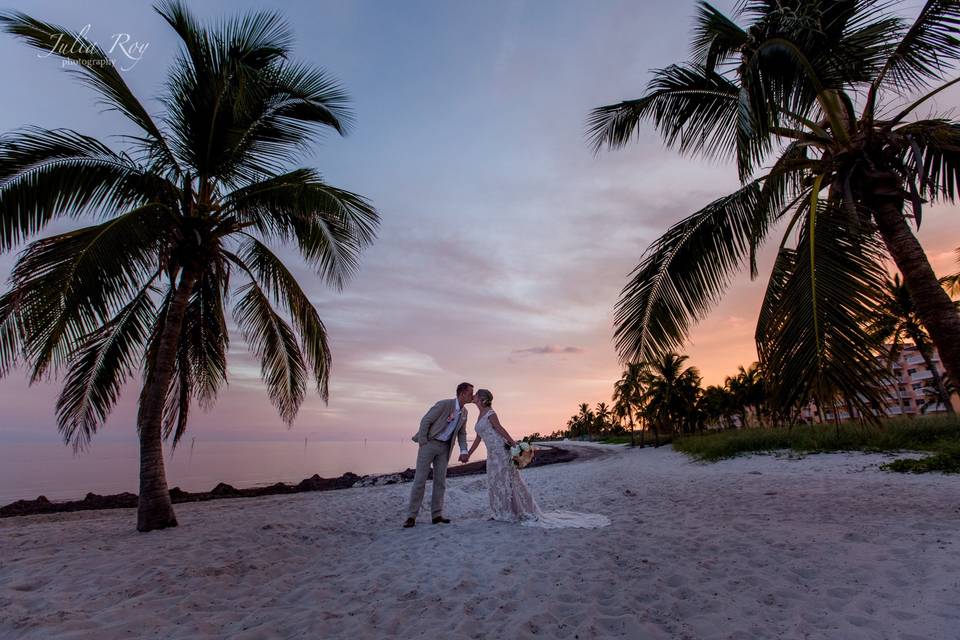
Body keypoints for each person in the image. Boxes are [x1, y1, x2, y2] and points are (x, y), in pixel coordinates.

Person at [464, 389, 610, 528]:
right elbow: (478, 438)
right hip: (491, 454)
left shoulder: (491, 413)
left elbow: (501, 429)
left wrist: (515, 444)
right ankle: (499, 511)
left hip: (500, 451)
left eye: (476, 394)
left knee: (506, 480)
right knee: (495, 480)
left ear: (482, 400)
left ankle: (511, 512)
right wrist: (469, 454)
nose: (474, 395)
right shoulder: (479, 414)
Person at [403, 382, 474, 528]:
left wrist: (464, 450)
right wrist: (423, 441)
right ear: (461, 394)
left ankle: (436, 515)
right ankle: (411, 516)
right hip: (429, 444)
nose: (472, 396)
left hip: (445, 449)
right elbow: (426, 420)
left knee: (440, 482)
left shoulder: (465, 413)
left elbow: (461, 433)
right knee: (420, 480)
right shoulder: (443, 405)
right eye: (470, 393)